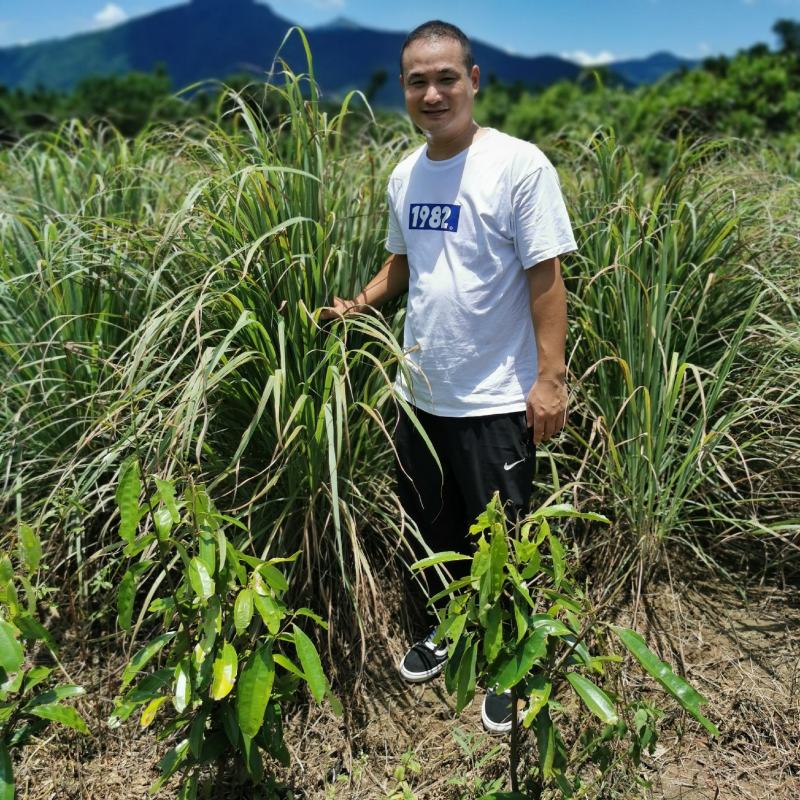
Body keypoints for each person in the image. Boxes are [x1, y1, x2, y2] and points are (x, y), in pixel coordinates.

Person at [321, 20, 576, 734]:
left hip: (496, 396)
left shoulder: (519, 166)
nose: (432, 93)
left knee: (508, 538)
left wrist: (550, 379)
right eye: (417, 81)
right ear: (403, 88)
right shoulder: (406, 173)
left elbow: (547, 276)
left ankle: (516, 663)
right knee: (434, 533)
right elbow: (405, 267)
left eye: (445, 78)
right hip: (420, 394)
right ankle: (450, 631)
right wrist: (360, 304)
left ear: (474, 80)